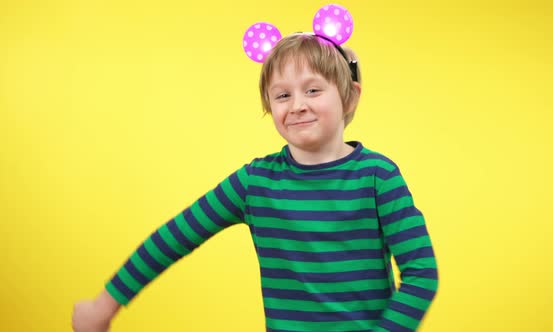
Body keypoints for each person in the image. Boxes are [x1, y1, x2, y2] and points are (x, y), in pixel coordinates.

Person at [73, 33, 439, 332]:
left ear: (349, 96)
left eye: (313, 90)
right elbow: (173, 238)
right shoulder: (255, 183)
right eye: (282, 95)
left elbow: (422, 274)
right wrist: (104, 305)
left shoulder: (377, 177)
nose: (296, 105)